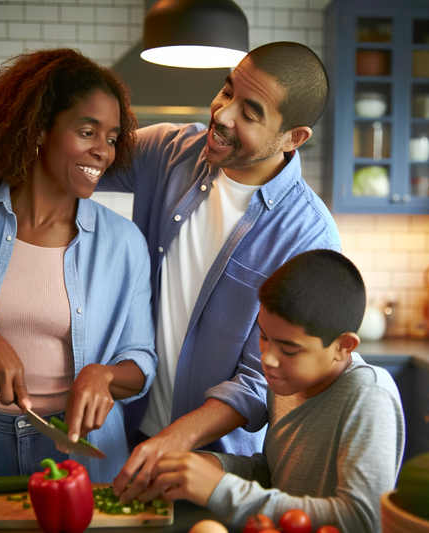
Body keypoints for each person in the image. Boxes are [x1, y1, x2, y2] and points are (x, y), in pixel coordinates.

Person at [100, 41, 342, 502]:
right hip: (121, 437)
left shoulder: (309, 236)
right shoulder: (169, 151)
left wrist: (176, 437)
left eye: (250, 113)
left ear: (294, 137)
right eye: (226, 91)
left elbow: (265, 376)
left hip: (209, 471)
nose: (223, 114)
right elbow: (75, 161)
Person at [131, 250, 406, 533]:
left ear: (343, 346)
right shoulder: (286, 382)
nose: (268, 359)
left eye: (289, 349)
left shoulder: (369, 395)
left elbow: (362, 518)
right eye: (263, 336)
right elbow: (278, 475)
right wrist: (214, 466)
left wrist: (221, 489)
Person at [0, 48, 157, 483]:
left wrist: (102, 376)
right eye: (87, 131)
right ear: (41, 129)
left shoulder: (123, 243)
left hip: (78, 451)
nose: (102, 151)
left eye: (111, 138)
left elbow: (141, 362)